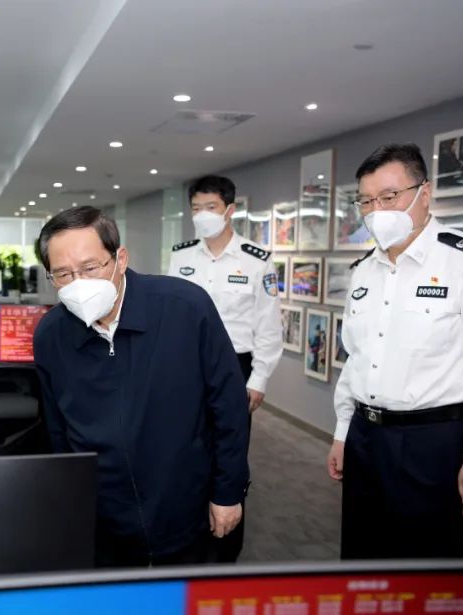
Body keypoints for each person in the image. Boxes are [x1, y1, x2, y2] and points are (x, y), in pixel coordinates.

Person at [327, 143, 463, 559]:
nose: (377, 210)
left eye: (389, 196)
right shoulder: (365, 270)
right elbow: (355, 359)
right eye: (366, 201)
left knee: (426, 566)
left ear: (425, 193)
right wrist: (344, 432)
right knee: (360, 559)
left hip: (432, 443)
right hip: (365, 437)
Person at [32, 206, 250, 567]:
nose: (78, 283)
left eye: (90, 268)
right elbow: (57, 430)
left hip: (187, 505)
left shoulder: (184, 307)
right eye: (63, 274)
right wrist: (72, 504)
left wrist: (228, 491)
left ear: (120, 259)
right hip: (106, 516)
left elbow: (229, 407)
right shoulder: (51, 334)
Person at [168, 175, 282, 562]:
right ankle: (190, 531)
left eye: (211, 207)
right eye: (196, 208)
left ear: (230, 210)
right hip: (187, 367)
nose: (202, 215)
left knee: (229, 453)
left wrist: (259, 379)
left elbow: (269, 327)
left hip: (236, 367)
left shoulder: (256, 260)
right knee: (187, 447)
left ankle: (227, 545)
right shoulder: (182, 257)